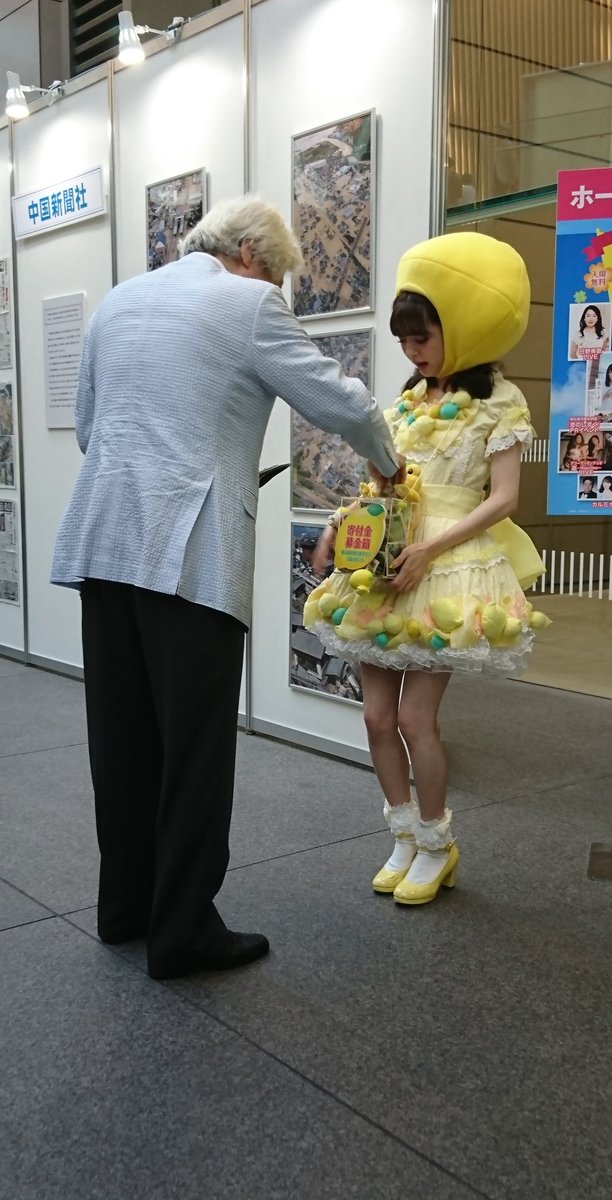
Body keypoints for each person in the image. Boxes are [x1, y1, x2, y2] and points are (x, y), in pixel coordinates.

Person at [50, 196, 403, 980]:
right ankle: (182, 932)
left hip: (104, 541)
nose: (276, 289)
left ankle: (125, 910)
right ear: (249, 253)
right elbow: (337, 400)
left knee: (123, 741)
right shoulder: (248, 303)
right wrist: (387, 460)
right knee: (194, 750)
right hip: (189, 554)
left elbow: (88, 427)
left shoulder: (118, 303)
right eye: (276, 274)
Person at [304, 232, 549, 907]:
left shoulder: (501, 400)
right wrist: (339, 526)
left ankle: (438, 843)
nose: (413, 350)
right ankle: (403, 835)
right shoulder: (408, 400)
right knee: (375, 719)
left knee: (416, 720)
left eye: (424, 337)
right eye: (405, 339)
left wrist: (430, 552)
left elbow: (504, 498)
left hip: (448, 565)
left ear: (463, 327)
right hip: (386, 559)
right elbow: (382, 482)